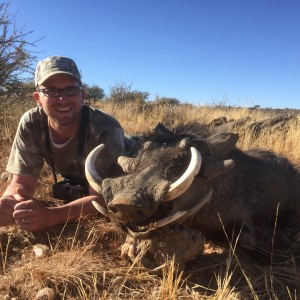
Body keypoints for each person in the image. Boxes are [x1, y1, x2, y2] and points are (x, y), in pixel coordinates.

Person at [0, 55, 125, 232]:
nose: (62, 99)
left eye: (71, 90)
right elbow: (22, 183)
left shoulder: (106, 127)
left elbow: (104, 198)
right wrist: (10, 202)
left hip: (124, 158)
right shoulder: (31, 123)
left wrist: (52, 216)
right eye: (51, 91)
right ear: (38, 98)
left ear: (82, 95)